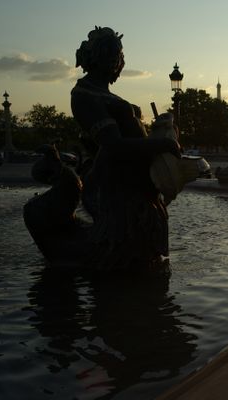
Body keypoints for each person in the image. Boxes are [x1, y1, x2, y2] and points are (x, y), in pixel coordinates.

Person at [71, 26, 180, 271]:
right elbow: (113, 146)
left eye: (119, 56)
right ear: (103, 57)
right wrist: (161, 143)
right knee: (128, 262)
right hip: (121, 189)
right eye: (117, 56)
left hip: (138, 188)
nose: (120, 62)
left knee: (144, 263)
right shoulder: (85, 95)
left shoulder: (101, 93)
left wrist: (161, 132)